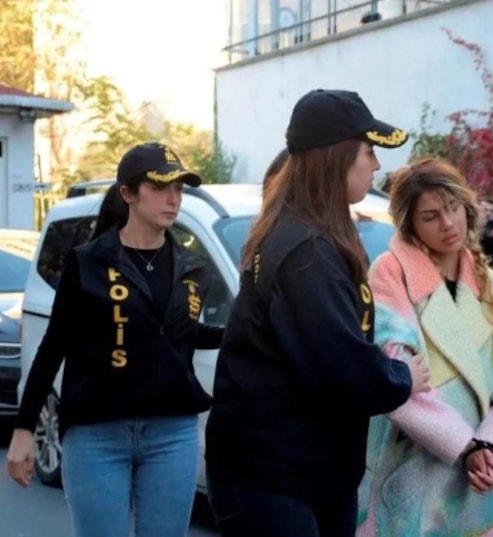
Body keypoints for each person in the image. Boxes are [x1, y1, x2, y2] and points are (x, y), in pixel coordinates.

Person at [204, 89, 430, 537]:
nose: (376, 165)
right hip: (274, 479)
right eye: (369, 151)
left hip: (307, 473)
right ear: (336, 156)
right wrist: (401, 377)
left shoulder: (311, 235)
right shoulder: (304, 250)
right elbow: (339, 360)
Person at [6, 142, 225, 537]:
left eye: (179, 189)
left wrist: (243, 333)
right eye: (160, 187)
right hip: (97, 434)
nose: (173, 199)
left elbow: (179, 334)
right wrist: (24, 430)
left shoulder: (193, 268)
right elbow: (54, 346)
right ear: (128, 193)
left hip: (172, 434)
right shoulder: (88, 262)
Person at [357, 158, 493, 536]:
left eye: (453, 208)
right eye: (431, 216)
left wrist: (491, 445)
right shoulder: (389, 275)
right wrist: (463, 445)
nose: (448, 223)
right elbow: (395, 373)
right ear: (410, 225)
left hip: (483, 477)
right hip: (413, 470)